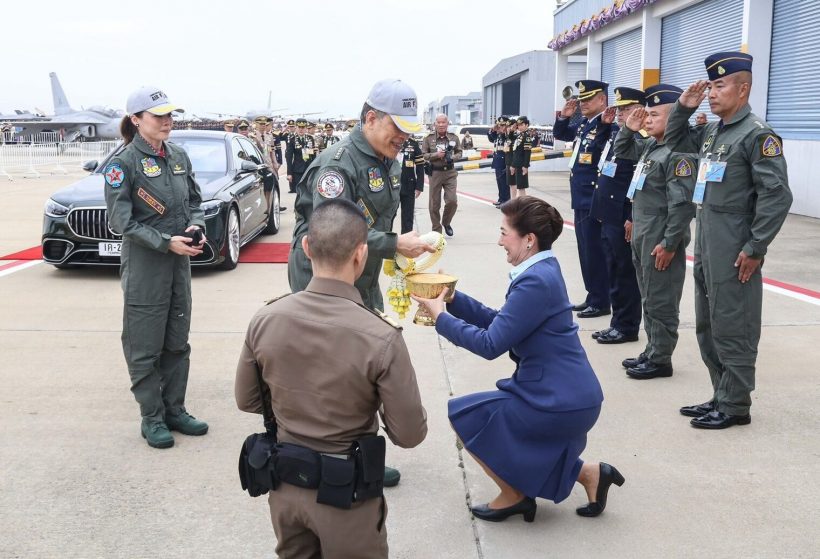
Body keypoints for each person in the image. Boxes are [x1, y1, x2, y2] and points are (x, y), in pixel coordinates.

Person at [413, 196, 624, 523]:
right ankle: (591, 475)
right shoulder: (542, 269)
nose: (498, 240)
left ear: (529, 240)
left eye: (503, 232)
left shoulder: (535, 280)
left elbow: (490, 344)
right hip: (570, 394)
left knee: (469, 416)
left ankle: (515, 496)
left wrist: (441, 318)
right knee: (507, 428)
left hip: (560, 401)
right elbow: (502, 321)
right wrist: (453, 299)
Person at [236, 199, 427, 558]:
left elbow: (247, 399)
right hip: (347, 499)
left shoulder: (267, 318)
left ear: (306, 247)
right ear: (361, 255)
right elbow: (410, 433)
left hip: (286, 487)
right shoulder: (380, 336)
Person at [288, 79, 435, 487]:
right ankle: (316, 455)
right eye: (397, 128)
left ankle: (358, 454)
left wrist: (390, 254)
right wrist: (392, 244)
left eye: (409, 130)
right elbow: (330, 234)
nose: (404, 138)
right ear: (370, 118)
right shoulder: (337, 166)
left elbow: (374, 218)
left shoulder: (385, 156)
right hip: (326, 276)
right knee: (326, 368)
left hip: (361, 275)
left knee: (362, 367)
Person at [664, 51, 792, 429]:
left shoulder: (757, 134)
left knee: (734, 321)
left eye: (720, 86)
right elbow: (675, 144)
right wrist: (683, 109)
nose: (712, 93)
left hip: (735, 241)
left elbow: (777, 195)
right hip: (708, 236)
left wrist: (755, 247)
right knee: (708, 321)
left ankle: (735, 405)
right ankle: (721, 393)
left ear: (743, 88)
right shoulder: (716, 131)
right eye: (711, 86)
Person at [104, 86, 209, 449]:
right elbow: (122, 223)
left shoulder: (178, 155)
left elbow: (195, 200)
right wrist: (165, 242)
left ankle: (175, 409)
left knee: (177, 341)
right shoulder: (122, 164)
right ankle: (152, 416)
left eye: (170, 115)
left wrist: (197, 227)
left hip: (179, 264)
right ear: (136, 120)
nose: (167, 122)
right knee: (144, 345)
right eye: (158, 116)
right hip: (147, 265)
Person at [613, 85, 697, 379]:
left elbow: (683, 204)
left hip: (661, 234)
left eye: (654, 114)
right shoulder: (653, 146)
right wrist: (628, 128)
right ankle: (652, 349)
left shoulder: (679, 153)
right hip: (642, 230)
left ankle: (661, 359)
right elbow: (622, 152)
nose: (647, 119)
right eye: (645, 114)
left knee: (661, 299)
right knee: (648, 294)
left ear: (674, 118)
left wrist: (670, 242)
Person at [589, 87, 645, 346]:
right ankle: (617, 323)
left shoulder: (641, 140)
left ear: (641, 110)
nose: (622, 113)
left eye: (627, 109)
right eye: (620, 109)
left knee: (625, 273)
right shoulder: (618, 135)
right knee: (613, 269)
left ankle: (627, 326)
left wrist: (632, 216)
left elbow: (640, 183)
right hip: (609, 213)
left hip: (623, 215)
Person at [553, 80, 612, 319]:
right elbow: (560, 133)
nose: (584, 104)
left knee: (595, 251)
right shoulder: (585, 125)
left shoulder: (608, 126)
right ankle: (592, 295)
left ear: (602, 100)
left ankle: (600, 300)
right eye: (582, 100)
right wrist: (564, 117)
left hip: (593, 198)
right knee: (585, 250)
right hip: (580, 197)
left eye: (589, 99)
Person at [422, 114, 462, 236]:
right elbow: (423, 155)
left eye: (443, 122)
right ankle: (436, 230)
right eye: (438, 122)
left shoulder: (453, 138)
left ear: (447, 123)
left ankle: (446, 222)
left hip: (450, 172)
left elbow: (459, 152)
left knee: (452, 201)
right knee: (434, 204)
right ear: (435, 124)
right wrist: (436, 155)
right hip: (435, 173)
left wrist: (452, 158)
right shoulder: (428, 138)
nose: (441, 125)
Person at [398, 135, 425, 233]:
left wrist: (419, 186)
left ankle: (406, 241)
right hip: (391, 185)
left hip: (408, 185)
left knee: (408, 217)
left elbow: (420, 166)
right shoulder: (390, 141)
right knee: (388, 216)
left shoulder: (413, 144)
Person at [285, 118, 316, 194]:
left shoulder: (310, 138)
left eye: (303, 127)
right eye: (299, 127)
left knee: (309, 192)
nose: (301, 130)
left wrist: (315, 169)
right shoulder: (292, 140)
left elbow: (313, 155)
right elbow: (289, 158)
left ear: (306, 128)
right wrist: (289, 173)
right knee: (299, 192)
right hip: (297, 170)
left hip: (309, 169)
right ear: (296, 127)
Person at [488, 116, 510, 207]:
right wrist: (492, 130)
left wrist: (504, 131)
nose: (501, 127)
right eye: (500, 125)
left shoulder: (508, 134)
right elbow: (491, 138)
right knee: (499, 181)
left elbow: (508, 140)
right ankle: (501, 199)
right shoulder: (498, 134)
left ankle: (506, 201)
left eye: (503, 125)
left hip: (504, 160)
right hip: (497, 160)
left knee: (505, 182)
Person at [509, 116, 532, 196]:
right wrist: (512, 130)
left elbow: (527, 152)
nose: (519, 127)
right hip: (517, 164)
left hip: (522, 164)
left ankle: (523, 206)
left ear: (526, 125)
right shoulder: (520, 135)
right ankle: (521, 205)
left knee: (521, 187)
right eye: (518, 125)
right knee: (519, 187)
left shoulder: (527, 137)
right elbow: (511, 139)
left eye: (521, 125)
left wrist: (525, 166)